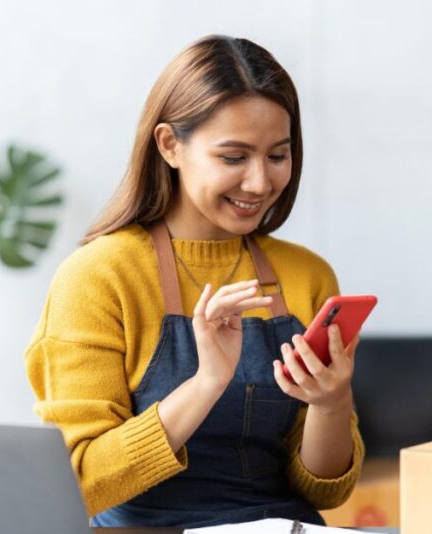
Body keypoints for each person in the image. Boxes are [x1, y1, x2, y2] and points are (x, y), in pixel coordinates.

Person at [25, 35, 364, 528]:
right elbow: (80, 482)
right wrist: (206, 382)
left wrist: (332, 403)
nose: (259, 183)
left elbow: (324, 489)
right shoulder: (98, 276)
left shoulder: (307, 276)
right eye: (233, 157)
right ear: (169, 145)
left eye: (277, 156)